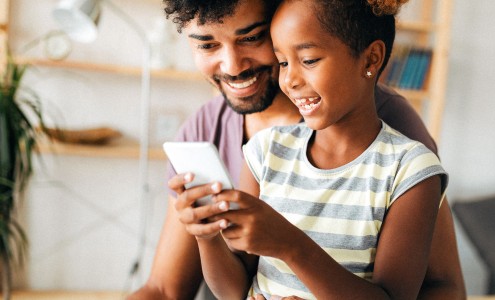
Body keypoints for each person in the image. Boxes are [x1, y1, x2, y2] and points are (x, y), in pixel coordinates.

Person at [128, 0, 465, 298]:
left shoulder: (402, 150)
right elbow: (177, 289)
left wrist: (290, 244)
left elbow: (438, 287)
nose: (232, 66)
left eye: (250, 37)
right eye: (207, 44)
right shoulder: (261, 149)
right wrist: (206, 234)